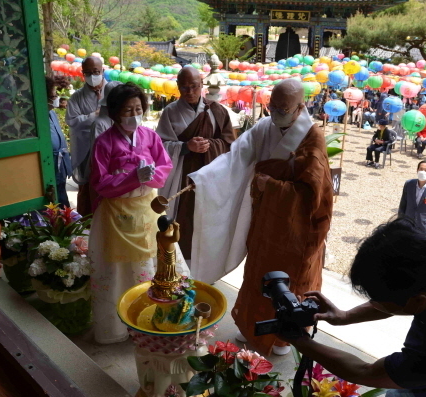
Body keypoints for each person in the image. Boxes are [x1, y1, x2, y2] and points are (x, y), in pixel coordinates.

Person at [188, 79, 333, 356]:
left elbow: (315, 195)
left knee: (291, 281)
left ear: (300, 107)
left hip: (295, 228)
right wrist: (205, 179)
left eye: (283, 108)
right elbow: (237, 156)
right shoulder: (266, 126)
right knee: (259, 273)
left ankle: (283, 338)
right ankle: (251, 325)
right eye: (273, 105)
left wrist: (274, 187)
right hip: (266, 219)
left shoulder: (312, 138)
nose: (276, 112)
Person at [285, 218, 426, 397]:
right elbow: (394, 297)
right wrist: (344, 316)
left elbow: (365, 371)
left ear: (417, 301)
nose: (374, 303)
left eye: (378, 300)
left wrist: (298, 340)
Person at [88, 83, 173, 344]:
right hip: (116, 213)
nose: (134, 114)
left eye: (138, 108)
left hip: (147, 209)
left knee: (151, 263)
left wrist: (151, 177)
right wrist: (132, 178)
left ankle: (152, 318)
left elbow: (165, 165)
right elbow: (100, 182)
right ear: (114, 113)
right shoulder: (104, 142)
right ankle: (117, 326)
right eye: (127, 109)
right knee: (117, 269)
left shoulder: (150, 136)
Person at [156, 67, 234, 267]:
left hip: (210, 176)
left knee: (208, 219)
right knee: (183, 218)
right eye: (184, 87)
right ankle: (178, 264)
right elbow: (160, 146)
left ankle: (206, 265)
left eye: (194, 86)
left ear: (202, 86)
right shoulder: (170, 112)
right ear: (178, 87)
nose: (189, 91)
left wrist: (210, 145)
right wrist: (185, 146)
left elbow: (228, 144)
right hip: (182, 175)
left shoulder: (217, 111)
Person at [66, 56, 105, 216]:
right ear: (83, 74)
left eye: (95, 72)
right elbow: (72, 121)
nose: (92, 76)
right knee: (87, 191)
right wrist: (93, 116)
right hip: (86, 152)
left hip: (112, 150)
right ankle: (86, 227)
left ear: (103, 71)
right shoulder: (76, 97)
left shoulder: (114, 91)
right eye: (87, 73)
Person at [46, 76, 72, 207]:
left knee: (62, 202)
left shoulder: (52, 113)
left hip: (60, 168)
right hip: (49, 168)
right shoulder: (37, 118)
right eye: (53, 95)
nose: (56, 97)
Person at [398, 160, 426, 232]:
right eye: (421, 169)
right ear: (417, 170)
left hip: (423, 226)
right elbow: (403, 204)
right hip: (407, 224)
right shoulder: (409, 184)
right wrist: (399, 222)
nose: (423, 172)